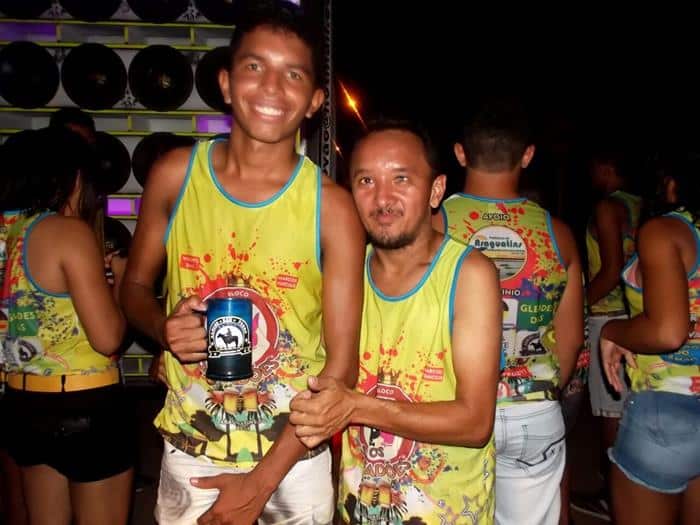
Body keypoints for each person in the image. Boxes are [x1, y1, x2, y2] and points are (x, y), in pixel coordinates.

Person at [120, 1, 365, 524]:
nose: (272, 87)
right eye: (255, 67)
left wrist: (259, 483)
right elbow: (134, 288)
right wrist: (164, 329)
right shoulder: (175, 175)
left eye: (293, 74)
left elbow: (342, 367)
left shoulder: (334, 208)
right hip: (192, 447)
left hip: (293, 459)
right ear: (227, 83)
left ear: (315, 100)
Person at [290, 119, 502, 524]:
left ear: (436, 190)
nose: (382, 198)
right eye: (366, 181)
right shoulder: (343, 274)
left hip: (447, 514)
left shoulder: (468, 275)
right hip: (359, 508)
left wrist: (356, 406)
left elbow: (475, 422)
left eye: (401, 179)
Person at [435, 100, 584, 525]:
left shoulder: (434, 224)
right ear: (528, 155)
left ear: (460, 153)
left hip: (452, 408)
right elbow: (571, 340)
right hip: (533, 410)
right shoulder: (559, 234)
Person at [1, 126, 132, 525]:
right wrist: (121, 280)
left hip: (23, 402)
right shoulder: (68, 232)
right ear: (74, 177)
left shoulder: (12, 231)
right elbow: (108, 337)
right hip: (85, 403)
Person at [600, 155, 700, 525]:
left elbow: (667, 332)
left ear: (673, 182)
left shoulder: (665, 232)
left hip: (668, 410)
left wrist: (612, 331)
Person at [575, 150, 643, 519]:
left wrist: (579, 305)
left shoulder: (606, 207)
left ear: (607, 166)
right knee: (630, 407)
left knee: (610, 414)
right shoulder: (639, 206)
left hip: (607, 319)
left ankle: (613, 497)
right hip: (636, 315)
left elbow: (612, 269)